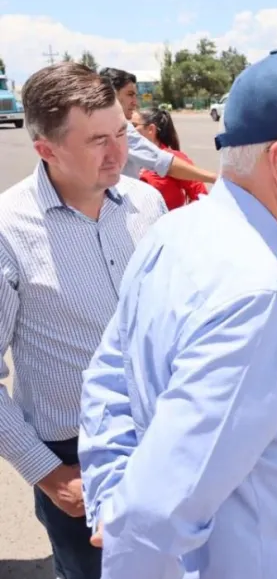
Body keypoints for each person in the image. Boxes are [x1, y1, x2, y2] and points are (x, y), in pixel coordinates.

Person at [77, 47, 277, 579]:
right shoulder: (259, 297)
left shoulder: (176, 232)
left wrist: (111, 496)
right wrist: (127, 521)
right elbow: (157, 513)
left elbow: (107, 382)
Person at [0, 62, 168, 579]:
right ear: (46, 149)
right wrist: (48, 473)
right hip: (75, 460)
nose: (118, 151)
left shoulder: (147, 203)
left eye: (121, 131)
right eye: (97, 140)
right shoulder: (9, 231)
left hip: (165, 439)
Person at [99, 67, 217, 185]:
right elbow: (163, 163)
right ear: (111, 94)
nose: (135, 102)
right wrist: (215, 178)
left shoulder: (89, 123)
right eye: (130, 95)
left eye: (135, 96)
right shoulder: (118, 128)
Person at [133, 107, 209, 210]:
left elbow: (201, 196)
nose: (128, 129)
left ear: (151, 129)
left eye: (133, 125)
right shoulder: (128, 157)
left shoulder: (174, 159)